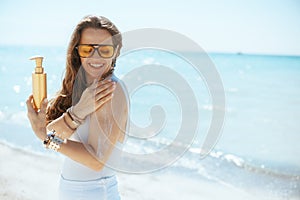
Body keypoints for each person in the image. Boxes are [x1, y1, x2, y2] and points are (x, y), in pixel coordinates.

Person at [26, 15, 128, 200]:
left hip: (96, 192)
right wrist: (78, 112)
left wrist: (46, 139)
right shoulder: (83, 91)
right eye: (88, 49)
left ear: (116, 52)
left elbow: (96, 161)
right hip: (74, 190)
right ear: (77, 51)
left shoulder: (110, 91)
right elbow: (52, 132)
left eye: (105, 49)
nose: (95, 57)